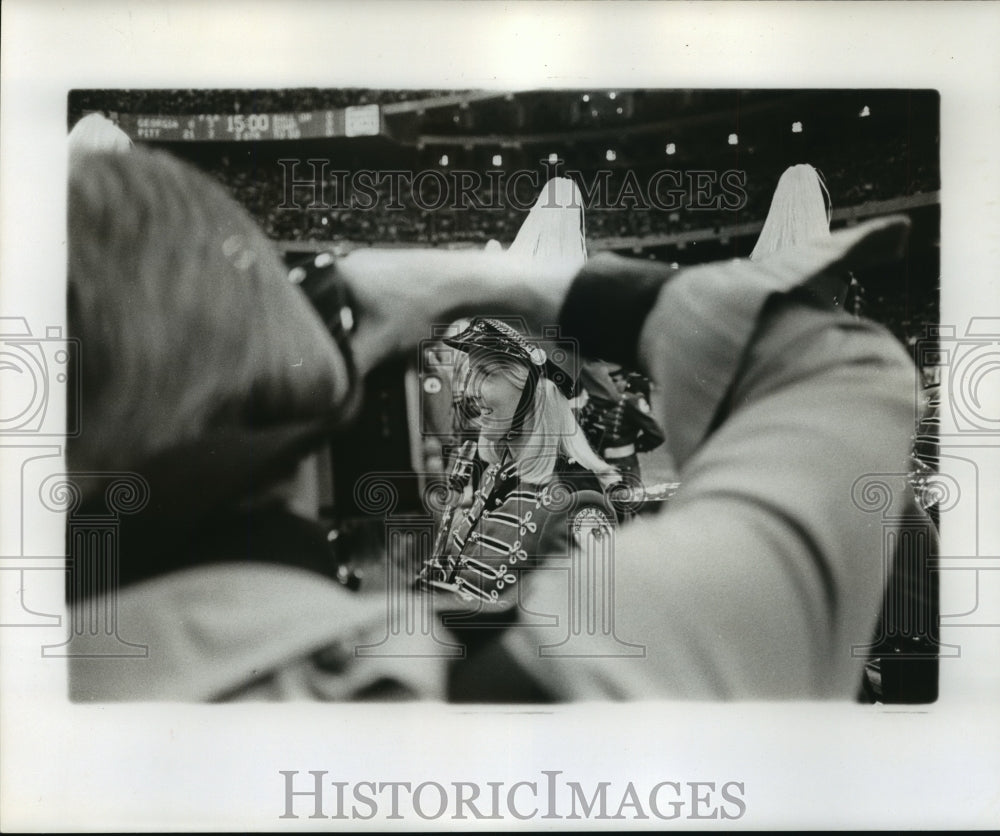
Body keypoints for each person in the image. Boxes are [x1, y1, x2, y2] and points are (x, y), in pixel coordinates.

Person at [418, 317, 620, 605]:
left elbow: (580, 625)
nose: (471, 393)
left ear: (536, 389)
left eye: (486, 374)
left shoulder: (577, 498)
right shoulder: (499, 472)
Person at [576, 359, 665, 487]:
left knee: (625, 502)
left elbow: (656, 434)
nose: (611, 384)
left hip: (624, 467)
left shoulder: (631, 402)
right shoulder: (589, 403)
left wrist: (634, 446)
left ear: (625, 381)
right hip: (596, 466)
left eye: (616, 380)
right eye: (609, 380)